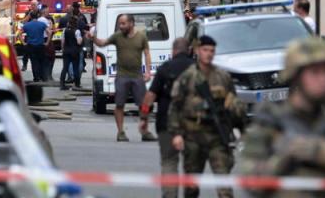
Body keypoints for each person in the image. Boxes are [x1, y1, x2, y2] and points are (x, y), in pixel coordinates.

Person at [238, 37, 325, 197]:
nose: (323, 79)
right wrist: (287, 156)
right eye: (315, 72)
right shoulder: (269, 125)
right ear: (295, 76)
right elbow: (252, 184)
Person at [168, 35, 244, 198]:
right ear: (197, 51)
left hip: (217, 136)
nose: (208, 54)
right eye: (205, 50)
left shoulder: (223, 77)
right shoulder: (187, 77)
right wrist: (176, 134)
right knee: (192, 187)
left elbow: (234, 104)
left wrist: (237, 126)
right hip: (193, 136)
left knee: (224, 185)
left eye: (212, 51)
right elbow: (175, 107)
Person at [89, 13, 157, 142]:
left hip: (137, 76)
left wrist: (148, 72)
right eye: (120, 23)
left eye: (123, 23)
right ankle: (120, 132)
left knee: (144, 105)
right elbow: (103, 43)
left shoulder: (141, 36)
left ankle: (145, 131)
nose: (121, 26)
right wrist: (94, 38)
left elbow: (147, 54)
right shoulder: (118, 36)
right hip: (122, 76)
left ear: (131, 23)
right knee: (119, 105)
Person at [140, 37, 194, 198]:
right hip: (193, 124)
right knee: (191, 165)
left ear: (173, 51)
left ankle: (170, 196)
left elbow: (150, 95)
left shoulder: (165, 68)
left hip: (166, 123)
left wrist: (144, 117)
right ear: (189, 50)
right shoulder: (196, 69)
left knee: (169, 162)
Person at [19, 11, 50, 82]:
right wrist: (47, 42)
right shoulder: (42, 24)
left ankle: (36, 78)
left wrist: (23, 42)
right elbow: (49, 32)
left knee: (34, 62)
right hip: (40, 45)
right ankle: (43, 77)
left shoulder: (27, 25)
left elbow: (19, 34)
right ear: (37, 16)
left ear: (30, 17)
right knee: (42, 61)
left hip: (31, 46)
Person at [59, 12, 84, 90]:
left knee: (65, 68)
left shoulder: (64, 31)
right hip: (74, 51)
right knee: (75, 68)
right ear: (76, 23)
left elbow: (62, 41)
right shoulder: (77, 31)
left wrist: (63, 49)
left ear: (68, 23)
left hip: (66, 51)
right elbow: (79, 42)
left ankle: (62, 84)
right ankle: (77, 84)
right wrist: (82, 39)